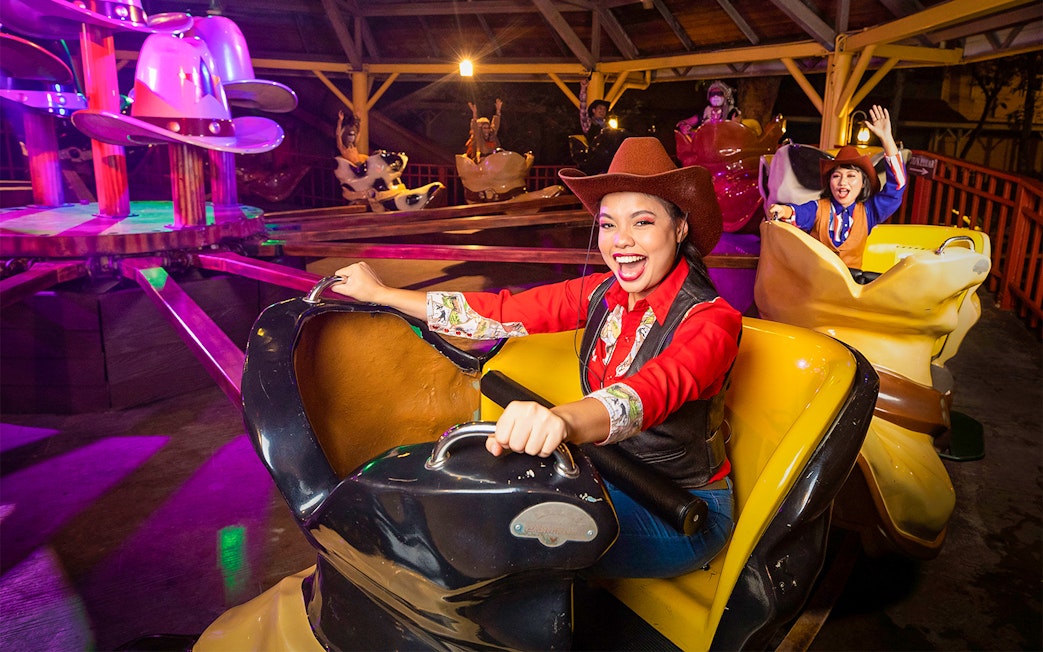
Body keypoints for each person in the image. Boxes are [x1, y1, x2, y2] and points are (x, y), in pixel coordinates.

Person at [331, 137, 742, 579]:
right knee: (465, 507)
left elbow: (648, 393)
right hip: (606, 475)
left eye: (642, 222)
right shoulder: (602, 292)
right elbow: (501, 313)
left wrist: (561, 421)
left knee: (501, 541)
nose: (621, 241)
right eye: (608, 225)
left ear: (680, 228)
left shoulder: (713, 320)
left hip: (682, 509)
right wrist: (382, 294)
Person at [767, 104, 907, 271]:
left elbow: (897, 185)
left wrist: (887, 139)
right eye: (836, 176)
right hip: (817, 279)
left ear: (863, 183)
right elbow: (798, 212)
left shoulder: (869, 212)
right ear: (829, 182)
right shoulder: (818, 208)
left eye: (851, 176)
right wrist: (782, 210)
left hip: (851, 283)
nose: (842, 182)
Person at [675, 80, 741, 136]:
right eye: (713, 94)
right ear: (709, 97)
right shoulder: (705, 112)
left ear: (725, 96)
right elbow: (683, 122)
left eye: (719, 93)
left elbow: (739, 131)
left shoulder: (732, 112)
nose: (716, 96)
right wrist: (683, 127)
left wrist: (736, 125)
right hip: (706, 144)